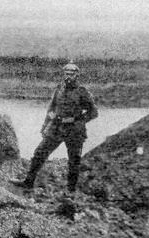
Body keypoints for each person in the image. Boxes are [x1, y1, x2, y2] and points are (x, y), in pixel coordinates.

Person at [10, 62, 98, 194]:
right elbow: (51, 108)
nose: (68, 77)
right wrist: (45, 126)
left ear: (77, 75)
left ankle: (70, 191)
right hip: (56, 128)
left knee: (74, 161)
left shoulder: (82, 92)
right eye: (66, 73)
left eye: (72, 74)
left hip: (74, 131)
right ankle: (28, 182)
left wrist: (77, 120)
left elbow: (93, 112)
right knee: (39, 152)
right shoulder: (59, 89)